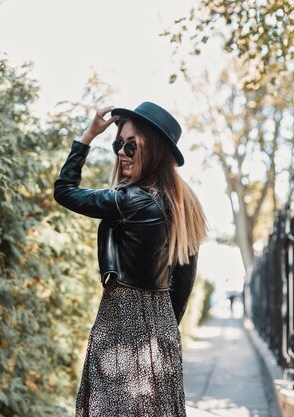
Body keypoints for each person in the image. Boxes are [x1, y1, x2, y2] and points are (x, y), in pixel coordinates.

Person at [54, 102, 207, 417]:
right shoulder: (183, 205)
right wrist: (163, 333)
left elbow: (65, 191)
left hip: (120, 321)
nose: (121, 152)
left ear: (152, 150)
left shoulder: (130, 200)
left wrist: (88, 135)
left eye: (131, 146)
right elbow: (184, 284)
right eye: (117, 144)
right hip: (163, 329)